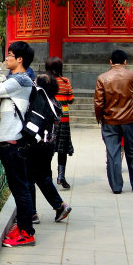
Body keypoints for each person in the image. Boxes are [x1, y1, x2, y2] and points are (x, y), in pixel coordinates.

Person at [0, 41, 37, 247]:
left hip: (13, 141)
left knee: (20, 189)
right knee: (19, 187)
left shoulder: (20, 80)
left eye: (10, 55)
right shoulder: (15, 78)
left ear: (20, 59)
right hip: (9, 140)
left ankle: (27, 233)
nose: (7, 58)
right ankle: (23, 227)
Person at [94, 49, 133, 193]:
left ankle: (116, 186)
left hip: (110, 120)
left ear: (110, 62)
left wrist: (99, 118)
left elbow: (98, 102)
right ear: (125, 62)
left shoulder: (102, 78)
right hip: (130, 118)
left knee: (113, 152)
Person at [26, 73, 72, 224]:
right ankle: (59, 206)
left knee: (30, 177)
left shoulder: (41, 101)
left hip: (36, 145)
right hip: (48, 146)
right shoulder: (54, 102)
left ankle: (32, 213)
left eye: (36, 82)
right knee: (42, 177)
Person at [45, 57, 74, 189]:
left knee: (47, 148)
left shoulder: (44, 81)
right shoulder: (65, 81)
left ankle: (47, 175)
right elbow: (70, 99)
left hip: (48, 119)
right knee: (62, 147)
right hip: (63, 118)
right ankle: (61, 175)